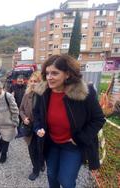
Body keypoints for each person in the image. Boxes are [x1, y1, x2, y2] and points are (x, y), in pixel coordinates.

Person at [33, 54, 105, 188]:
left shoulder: (84, 93)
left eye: (54, 73)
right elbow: (37, 114)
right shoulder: (43, 92)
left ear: (67, 74)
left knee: (66, 181)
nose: (49, 77)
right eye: (47, 73)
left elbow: (98, 119)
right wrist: (38, 128)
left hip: (73, 145)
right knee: (51, 175)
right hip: (52, 143)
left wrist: (80, 138)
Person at [19, 71, 45, 181]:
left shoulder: (43, 95)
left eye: (36, 81)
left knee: (41, 149)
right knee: (31, 149)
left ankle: (41, 161)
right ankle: (35, 169)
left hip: (41, 129)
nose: (33, 83)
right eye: (32, 81)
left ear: (40, 83)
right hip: (29, 127)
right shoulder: (27, 94)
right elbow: (21, 110)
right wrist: (24, 118)